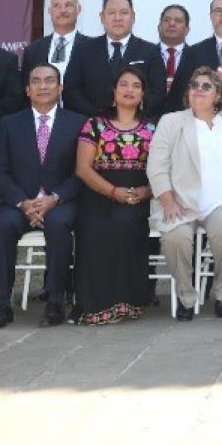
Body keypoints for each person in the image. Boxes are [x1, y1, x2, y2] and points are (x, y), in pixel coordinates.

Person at [0, 64, 84, 329]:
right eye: (36, 82)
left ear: (60, 88)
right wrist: (23, 202)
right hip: (20, 203)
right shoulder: (9, 124)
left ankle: (55, 302)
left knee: (59, 224)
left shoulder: (77, 123)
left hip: (59, 202)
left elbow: (82, 172)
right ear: (27, 90)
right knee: (2, 227)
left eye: (49, 81)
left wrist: (55, 198)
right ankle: (3, 304)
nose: (43, 86)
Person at [149, 68, 222, 318]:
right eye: (194, 85)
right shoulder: (172, 122)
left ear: (218, 94)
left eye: (206, 86)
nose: (198, 89)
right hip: (180, 202)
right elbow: (156, 165)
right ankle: (186, 297)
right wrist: (168, 200)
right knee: (175, 239)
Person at [70, 65, 157, 325]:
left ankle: (129, 302)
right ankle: (92, 305)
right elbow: (82, 169)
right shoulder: (94, 124)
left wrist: (147, 191)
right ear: (114, 91)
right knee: (94, 228)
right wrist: (112, 192)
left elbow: (164, 169)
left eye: (136, 86)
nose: (129, 90)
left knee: (124, 226)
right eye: (124, 84)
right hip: (98, 194)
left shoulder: (154, 128)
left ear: (143, 94)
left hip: (137, 196)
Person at [64, 0, 161, 120]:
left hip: (137, 126)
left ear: (133, 17)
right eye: (111, 13)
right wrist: (98, 118)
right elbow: (72, 91)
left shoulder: (151, 51)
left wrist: (129, 118)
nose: (117, 18)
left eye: (124, 13)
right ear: (102, 17)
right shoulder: (83, 50)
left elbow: (158, 93)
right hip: (91, 125)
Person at [21, 0, 86, 87]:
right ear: (49, 11)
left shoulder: (92, 48)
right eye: (57, 6)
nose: (62, 11)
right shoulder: (32, 51)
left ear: (78, 9)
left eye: (68, 5)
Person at [152, 3, 192, 114]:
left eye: (178, 21)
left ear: (187, 30)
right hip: (149, 120)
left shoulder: (196, 56)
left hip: (187, 120)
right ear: (159, 27)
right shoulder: (146, 54)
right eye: (167, 20)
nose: (172, 24)